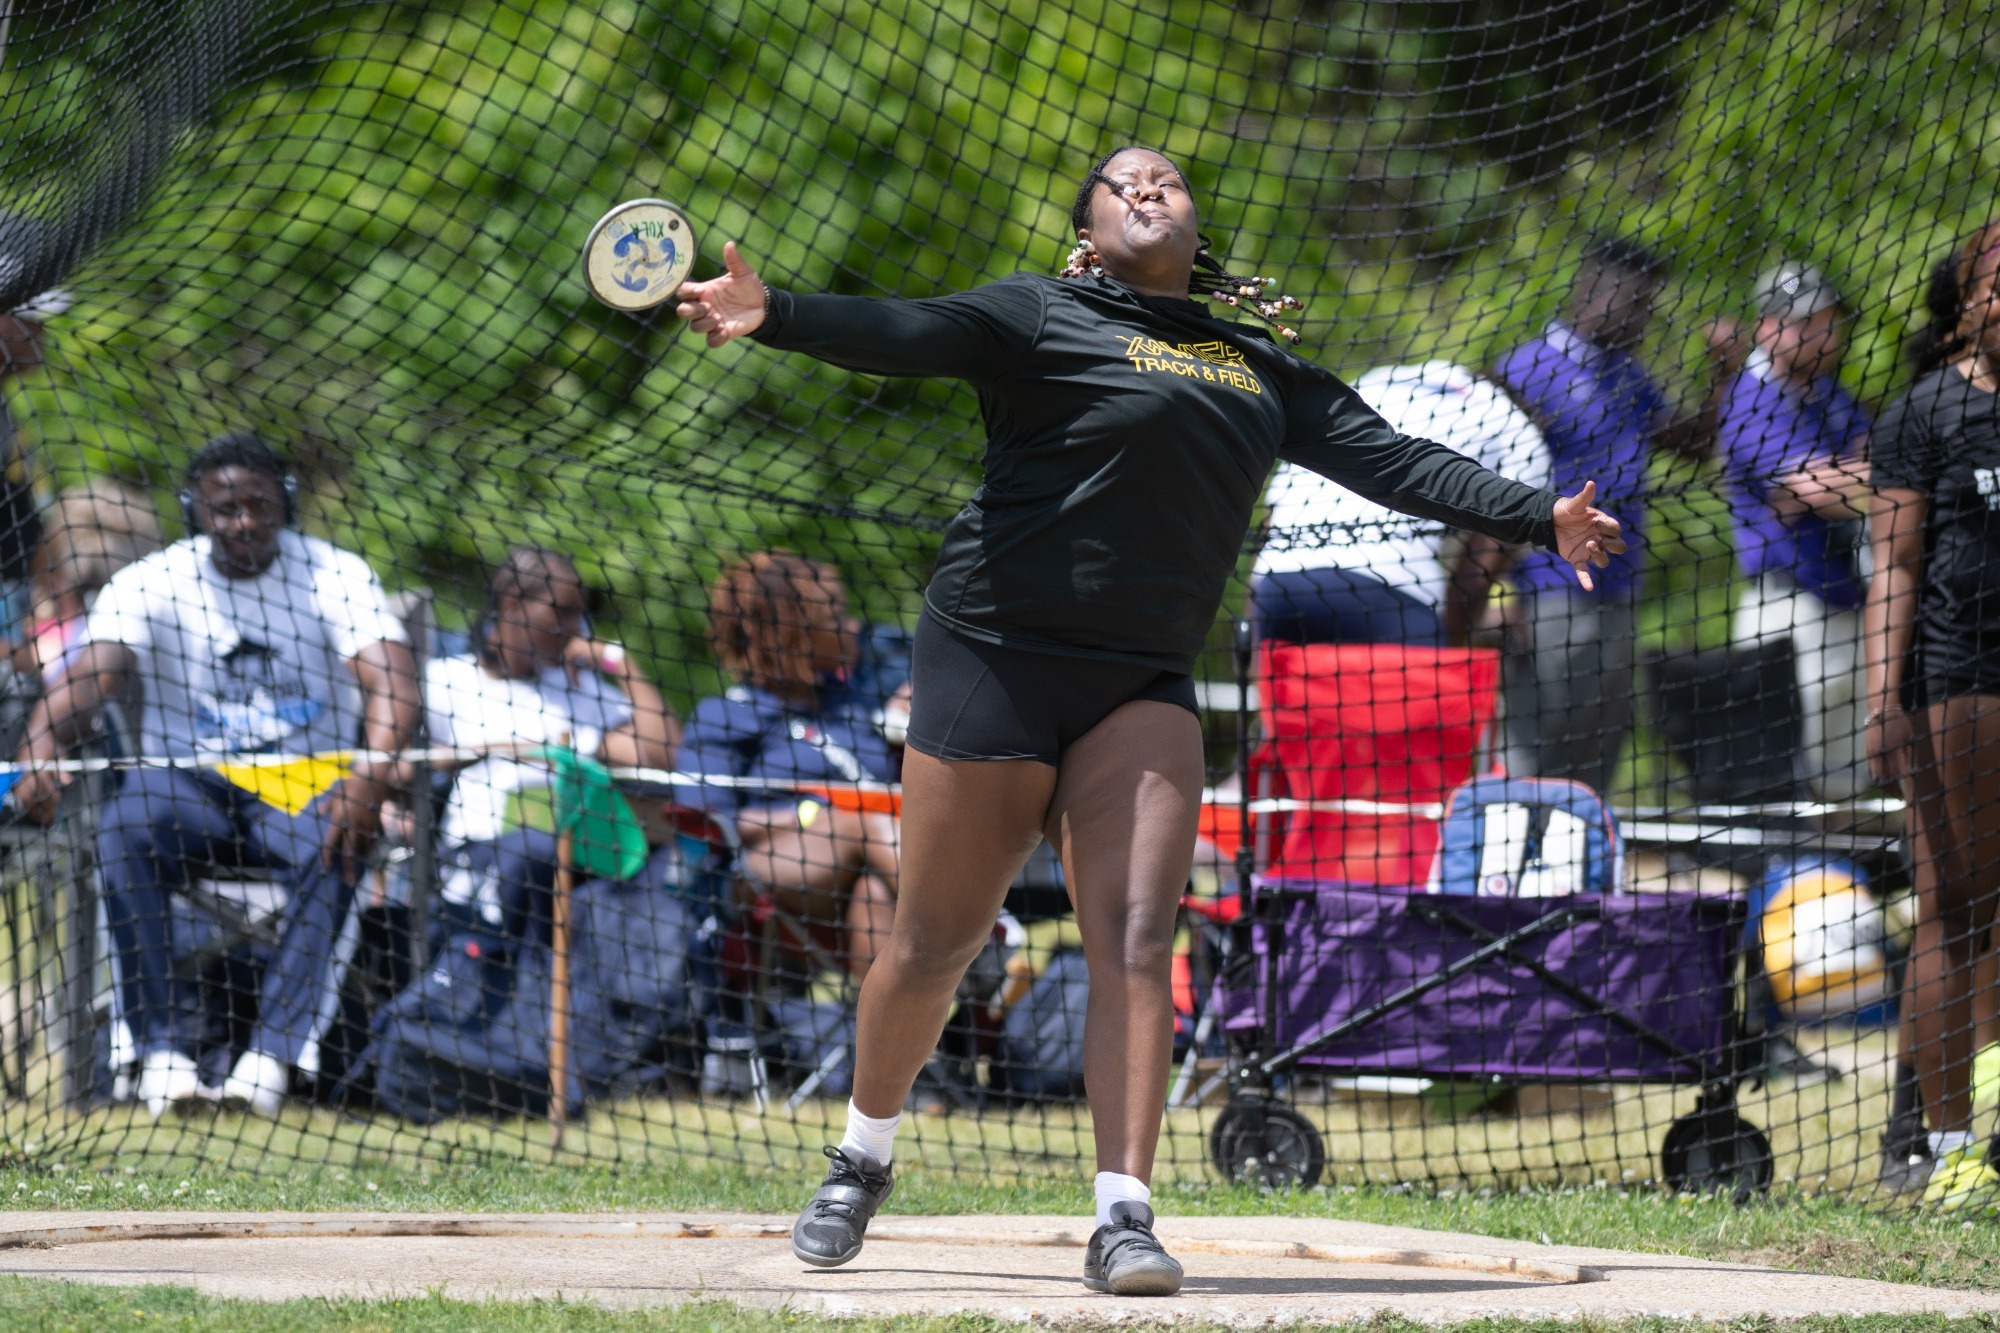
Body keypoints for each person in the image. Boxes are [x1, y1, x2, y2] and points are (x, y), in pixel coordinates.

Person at [674, 145, 1621, 1294]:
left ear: (1193, 226)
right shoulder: (1039, 314)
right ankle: (859, 1159)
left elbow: (1391, 459)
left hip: (1136, 682)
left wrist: (1535, 516)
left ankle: (1122, 1215)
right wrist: (774, 313)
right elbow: (906, 329)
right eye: (1121, 181)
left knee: (1132, 936)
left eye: (1165, 178)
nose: (1146, 186)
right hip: (992, 661)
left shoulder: (1253, 365)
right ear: (1087, 231)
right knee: (931, 943)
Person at [11, 432, 421, 1119]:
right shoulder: (152, 579)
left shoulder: (336, 573)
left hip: (301, 784)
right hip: (188, 785)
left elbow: (395, 687)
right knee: (124, 828)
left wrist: (369, 778)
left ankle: (270, 1060)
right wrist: (41, 742)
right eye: (225, 508)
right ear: (195, 510)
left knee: (343, 834)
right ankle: (162, 1056)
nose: (243, 522)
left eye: (258, 505)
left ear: (285, 504)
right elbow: (89, 678)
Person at [1867, 225, 2000, 1209]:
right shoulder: (1926, 410)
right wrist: (1882, 701)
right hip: (1959, 684)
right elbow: (1895, 563)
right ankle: (1943, 1142)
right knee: (1957, 909)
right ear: (1965, 305)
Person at [1494, 238, 1721, 794]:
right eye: (1638, 303)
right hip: (1546, 591)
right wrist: (1499, 594)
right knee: (1531, 749)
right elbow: (1487, 487)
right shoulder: (1524, 369)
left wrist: (1722, 371)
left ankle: (1581, 844)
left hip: (1620, 590)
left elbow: (1693, 445)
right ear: (1595, 294)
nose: (1646, 318)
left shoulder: (1629, 375)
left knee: (1597, 749)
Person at [420, 547, 676, 950]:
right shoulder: (445, 681)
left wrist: (618, 662)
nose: (576, 629)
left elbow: (663, 757)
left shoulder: (581, 692)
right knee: (532, 850)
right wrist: (500, 749)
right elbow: (402, 767)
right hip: (483, 864)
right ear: (512, 605)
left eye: (580, 615)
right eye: (562, 612)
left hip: (581, 865)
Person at [675, 552, 899, 981]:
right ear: (795, 632)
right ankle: (982, 936)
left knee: (874, 893)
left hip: (868, 867)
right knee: (863, 823)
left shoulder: (856, 702)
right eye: (836, 614)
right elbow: (703, 823)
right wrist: (812, 813)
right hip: (764, 868)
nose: (851, 625)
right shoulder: (726, 714)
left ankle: (888, 1025)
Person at [1712, 263, 1872, 800]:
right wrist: (1841, 481)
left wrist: (1838, 480)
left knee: (1850, 776)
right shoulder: (1750, 397)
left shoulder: (1829, 393)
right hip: (1788, 609)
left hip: (1849, 597)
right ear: (1765, 327)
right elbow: (1822, 490)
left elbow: (1876, 468)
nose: (1822, 335)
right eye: (1805, 323)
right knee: (1786, 778)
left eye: (1827, 321)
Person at [1253, 361, 1551, 646]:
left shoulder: (1377, 380)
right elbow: (1476, 574)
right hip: (1388, 595)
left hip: (1278, 585)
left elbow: (1270, 522)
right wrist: (1452, 650)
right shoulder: (1520, 431)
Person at [13, 479, 163, 685]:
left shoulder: (137, 630)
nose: (89, 600)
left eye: (95, 587)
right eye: (82, 590)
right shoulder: (33, 628)